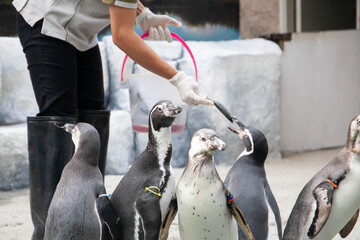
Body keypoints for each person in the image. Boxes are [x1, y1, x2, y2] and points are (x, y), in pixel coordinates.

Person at [12, 0, 213, 239]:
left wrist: (142, 15)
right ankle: (49, 231)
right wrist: (177, 77)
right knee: (59, 116)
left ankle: (91, 224)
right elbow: (122, 36)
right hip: (49, 20)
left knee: (92, 116)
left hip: (81, 31)